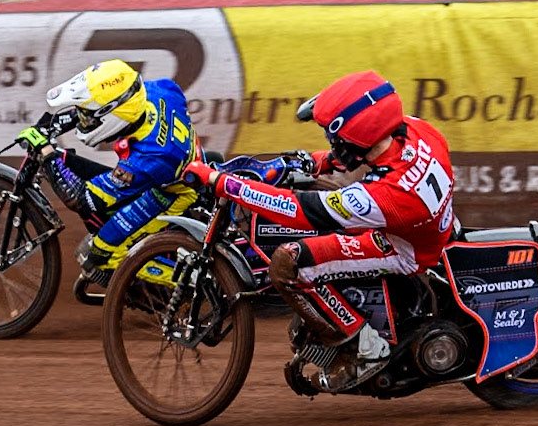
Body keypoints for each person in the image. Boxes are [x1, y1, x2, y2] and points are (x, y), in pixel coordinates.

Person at [183, 70, 456, 393]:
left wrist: (223, 183)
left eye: (333, 135)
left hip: (404, 250)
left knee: (289, 262)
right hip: (430, 226)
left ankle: (364, 348)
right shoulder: (416, 130)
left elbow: (300, 212)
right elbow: (356, 154)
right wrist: (303, 164)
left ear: (355, 135)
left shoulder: (386, 195)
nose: (330, 141)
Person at [25, 59, 200, 281]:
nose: (83, 120)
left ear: (114, 116)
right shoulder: (160, 91)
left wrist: (48, 154)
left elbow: (83, 199)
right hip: (180, 168)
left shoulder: (146, 158)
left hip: (171, 195)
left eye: (87, 116)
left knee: (97, 254)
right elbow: (116, 103)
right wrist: (54, 124)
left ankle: (193, 282)